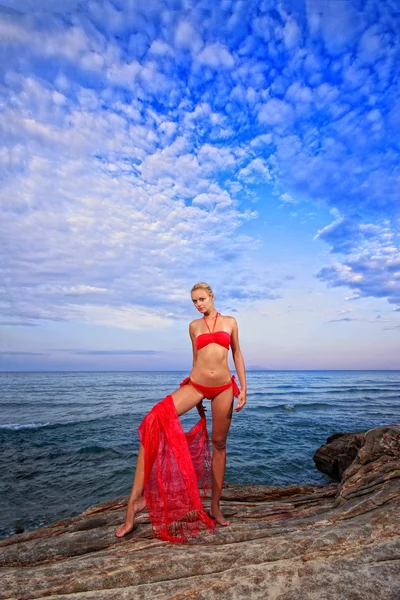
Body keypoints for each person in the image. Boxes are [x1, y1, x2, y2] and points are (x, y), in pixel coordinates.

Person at [115, 282, 247, 541]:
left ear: (212, 296)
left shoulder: (231, 322)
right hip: (197, 385)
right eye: (194, 301)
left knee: (219, 444)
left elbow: (237, 354)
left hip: (223, 388)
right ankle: (135, 502)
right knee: (153, 419)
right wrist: (191, 385)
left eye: (201, 299)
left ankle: (215, 507)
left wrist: (244, 387)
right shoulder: (193, 327)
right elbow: (196, 360)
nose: (198, 304)